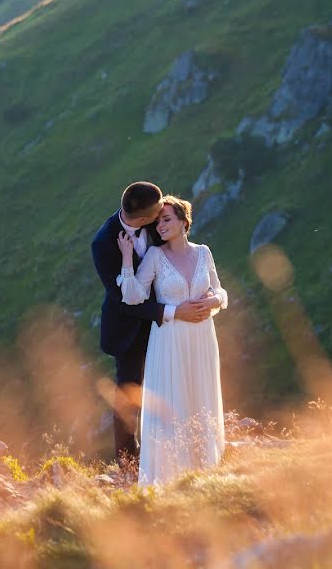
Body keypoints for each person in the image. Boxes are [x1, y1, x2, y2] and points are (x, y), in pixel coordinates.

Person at [91, 183, 213, 465]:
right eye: (157, 214)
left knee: (171, 386)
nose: (162, 217)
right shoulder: (103, 243)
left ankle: (176, 452)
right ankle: (128, 463)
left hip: (169, 325)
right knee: (128, 393)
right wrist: (172, 311)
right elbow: (124, 301)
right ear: (144, 218)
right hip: (130, 327)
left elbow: (177, 256)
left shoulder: (156, 221)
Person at [116, 195, 227, 486]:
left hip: (203, 337)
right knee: (172, 401)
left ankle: (205, 467)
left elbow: (220, 291)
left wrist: (214, 300)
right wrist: (127, 258)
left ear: (183, 221)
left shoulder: (203, 252)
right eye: (158, 221)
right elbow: (133, 295)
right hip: (169, 339)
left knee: (200, 394)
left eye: (166, 219)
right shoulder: (155, 256)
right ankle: (170, 475)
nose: (160, 225)